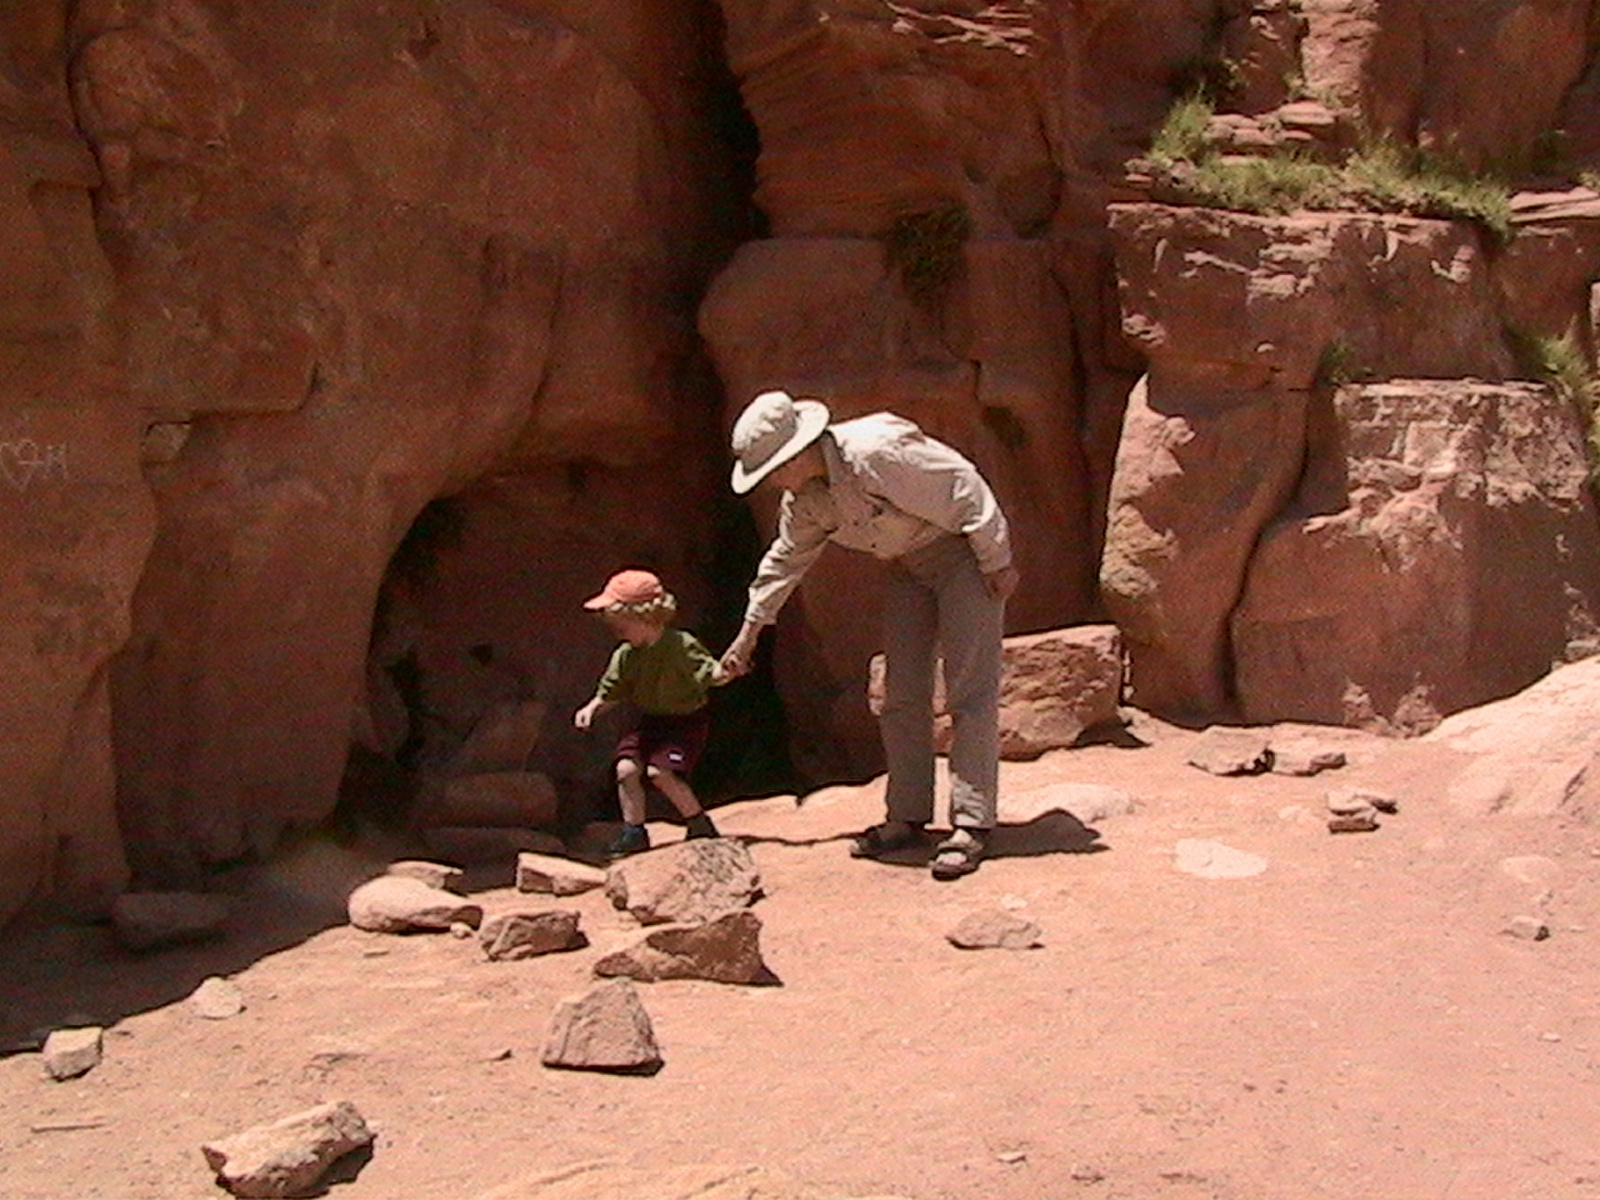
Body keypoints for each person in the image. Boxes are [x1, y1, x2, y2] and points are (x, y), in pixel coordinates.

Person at [718, 389, 1019, 879]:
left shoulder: (874, 453)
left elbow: (963, 486)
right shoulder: (807, 499)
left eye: (774, 467)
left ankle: (970, 825)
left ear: (799, 450)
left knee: (969, 691)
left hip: (961, 556)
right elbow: (785, 561)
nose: (772, 480)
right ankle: (906, 817)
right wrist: (748, 634)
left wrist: (995, 559)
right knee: (900, 696)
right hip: (906, 566)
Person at [574, 569, 725, 858]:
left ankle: (698, 823)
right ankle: (634, 831)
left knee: (660, 772)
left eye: (621, 623)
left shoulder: (680, 645)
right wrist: (593, 706)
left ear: (645, 616)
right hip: (652, 721)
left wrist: (726, 671)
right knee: (625, 769)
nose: (615, 629)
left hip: (685, 721)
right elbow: (612, 691)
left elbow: (709, 673)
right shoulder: (626, 654)